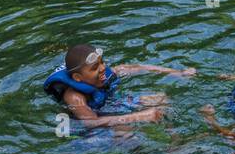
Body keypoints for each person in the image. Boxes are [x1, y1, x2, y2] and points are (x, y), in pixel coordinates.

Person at [44, 43, 195, 126]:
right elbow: (91, 123)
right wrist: (139, 117)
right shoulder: (74, 97)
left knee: (161, 99)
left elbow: (139, 68)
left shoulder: (105, 74)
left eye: (102, 62)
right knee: (122, 129)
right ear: (78, 77)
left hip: (111, 106)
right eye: (95, 67)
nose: (103, 68)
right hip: (91, 130)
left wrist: (178, 72)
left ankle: (175, 145)